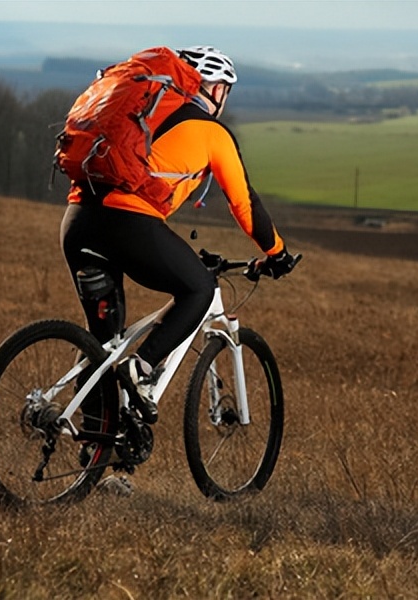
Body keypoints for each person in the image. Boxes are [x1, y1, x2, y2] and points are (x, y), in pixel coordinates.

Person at [60, 45, 298, 424]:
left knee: (102, 342)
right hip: (128, 225)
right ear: (218, 90)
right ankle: (143, 366)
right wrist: (277, 252)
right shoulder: (212, 132)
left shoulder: (141, 115)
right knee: (200, 288)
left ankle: (95, 448)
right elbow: (244, 205)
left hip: (78, 220)